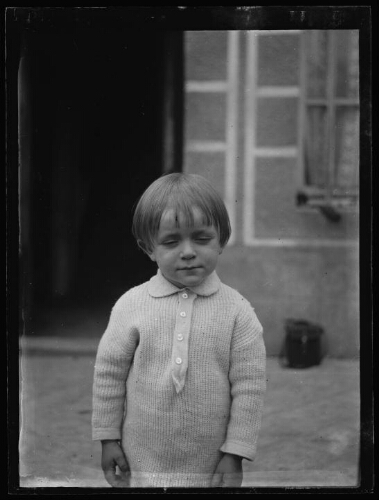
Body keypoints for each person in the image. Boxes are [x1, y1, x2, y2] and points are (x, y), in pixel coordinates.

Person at [92, 172, 266, 488]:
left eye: (201, 238)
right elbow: (109, 374)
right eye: (171, 241)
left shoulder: (238, 313)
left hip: (211, 464)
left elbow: (250, 387)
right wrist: (108, 439)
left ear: (221, 240)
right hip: (142, 461)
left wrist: (236, 452)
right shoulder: (131, 306)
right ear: (149, 248)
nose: (188, 251)